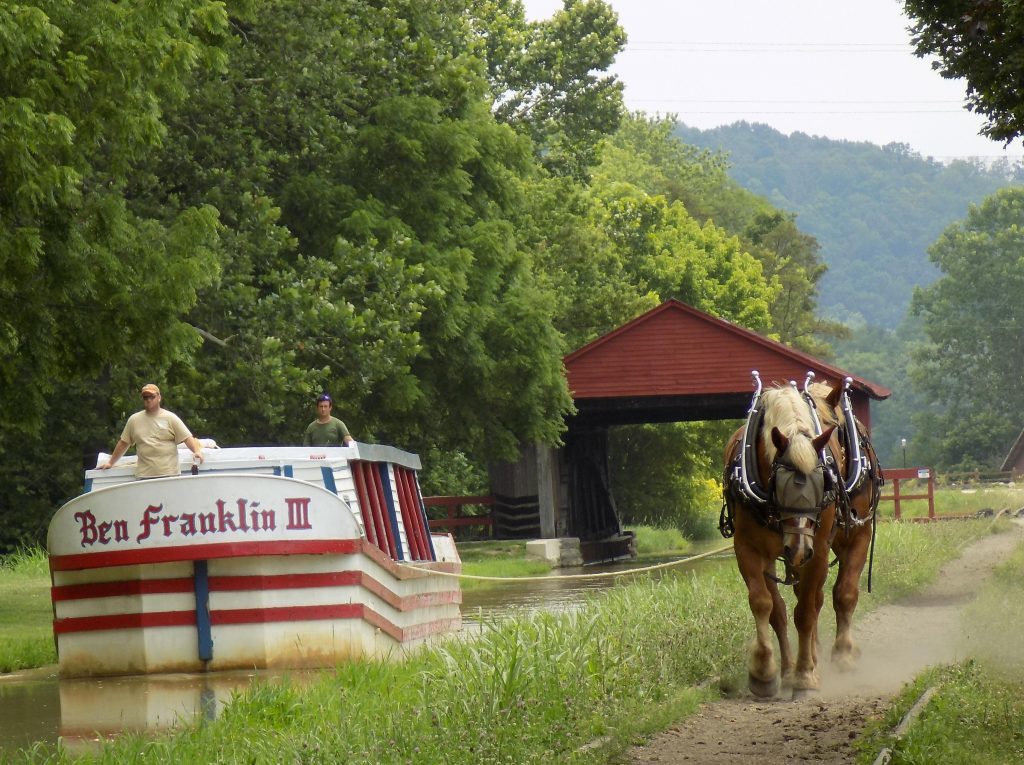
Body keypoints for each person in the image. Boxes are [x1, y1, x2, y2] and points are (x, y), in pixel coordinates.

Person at [98, 383, 205, 477]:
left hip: (170, 474)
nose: (148, 400)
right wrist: (110, 463)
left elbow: (187, 437)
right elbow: (124, 443)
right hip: (144, 476)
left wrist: (197, 451)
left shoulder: (170, 417)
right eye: (145, 397)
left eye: (151, 397)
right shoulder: (134, 420)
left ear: (159, 397)